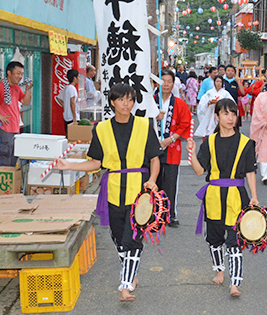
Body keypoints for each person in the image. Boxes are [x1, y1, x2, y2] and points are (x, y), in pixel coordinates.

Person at [55, 83, 161, 302]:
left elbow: (154, 158)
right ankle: (131, 272)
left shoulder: (144, 125)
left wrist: (151, 180)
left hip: (139, 191)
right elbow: (96, 163)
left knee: (132, 239)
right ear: (112, 102)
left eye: (130, 100)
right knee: (117, 238)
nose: (126, 104)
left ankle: (125, 286)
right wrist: (69, 165)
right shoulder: (101, 129)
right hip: (112, 190)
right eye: (122, 99)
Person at [187, 99, 258, 298]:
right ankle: (219, 269)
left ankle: (235, 283)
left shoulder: (246, 142)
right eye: (225, 114)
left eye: (233, 114)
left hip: (237, 196)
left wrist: (254, 196)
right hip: (214, 197)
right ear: (216, 116)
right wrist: (191, 153)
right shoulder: (209, 141)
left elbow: (250, 171)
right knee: (214, 239)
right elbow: (200, 171)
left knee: (235, 240)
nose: (230, 118)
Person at [154, 70, 192, 227]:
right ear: (158, 83)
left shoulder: (179, 103)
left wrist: (170, 139)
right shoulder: (150, 102)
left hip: (172, 147)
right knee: (154, 180)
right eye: (163, 81)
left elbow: (185, 124)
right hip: (153, 146)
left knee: (171, 181)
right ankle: (155, 214)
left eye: (169, 81)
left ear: (173, 83)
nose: (166, 84)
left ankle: (170, 213)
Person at [0, 61, 32, 166]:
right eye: (18, 73)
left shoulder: (16, 87)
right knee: (4, 157)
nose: (20, 76)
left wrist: (28, 90)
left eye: (21, 74)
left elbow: (25, 101)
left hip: (15, 128)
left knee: (13, 157)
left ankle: (11, 180)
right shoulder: (0, 86)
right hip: (4, 129)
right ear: (9, 73)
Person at [61, 69, 79, 133]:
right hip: (72, 117)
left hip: (66, 116)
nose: (79, 78)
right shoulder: (72, 88)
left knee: (68, 136)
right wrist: (74, 117)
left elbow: (58, 98)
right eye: (78, 76)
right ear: (74, 78)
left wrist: (65, 106)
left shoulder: (66, 88)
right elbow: (72, 102)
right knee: (74, 136)